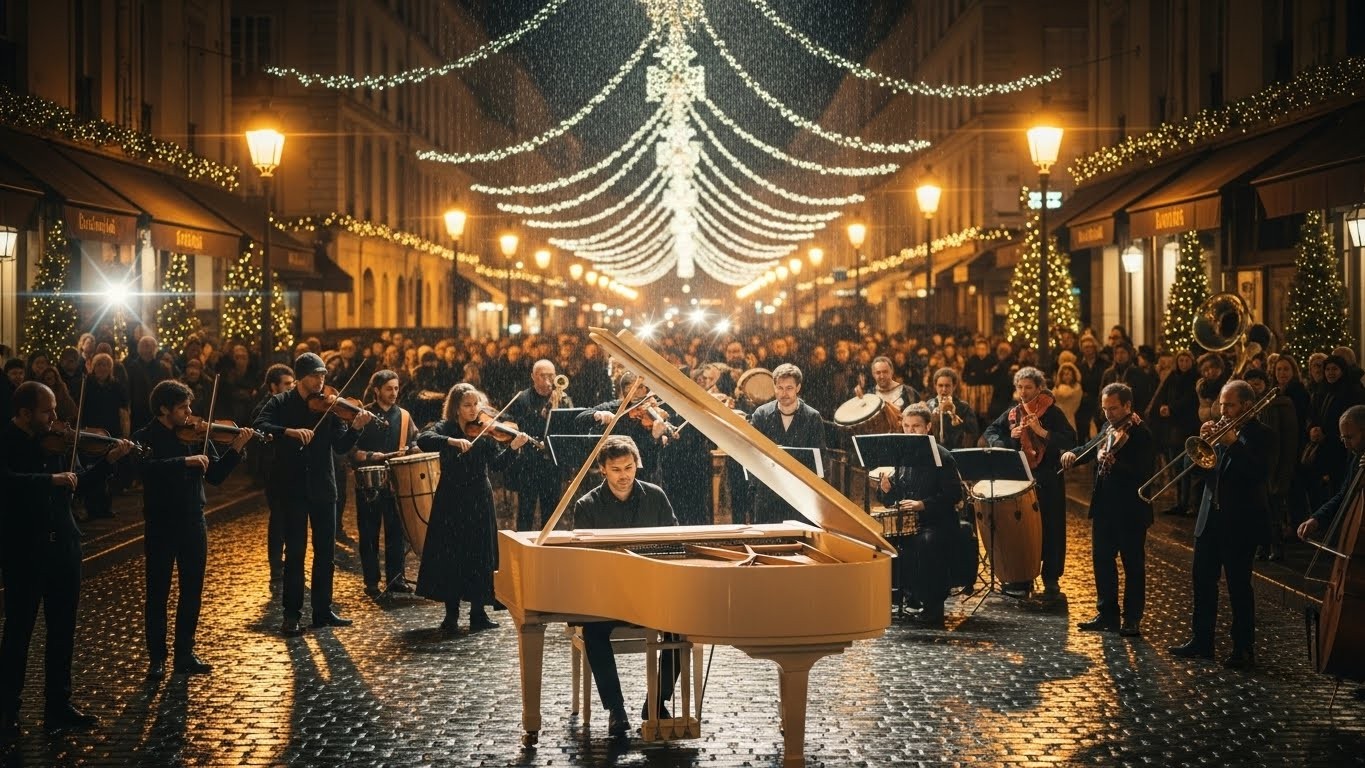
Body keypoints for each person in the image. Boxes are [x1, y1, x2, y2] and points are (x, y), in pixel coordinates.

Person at [1, 382, 133, 739]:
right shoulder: (8, 441)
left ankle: (58, 706)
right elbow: (7, 483)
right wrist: (50, 479)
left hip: (64, 547)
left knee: (62, 632)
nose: (57, 418)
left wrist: (107, 464)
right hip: (25, 550)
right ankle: (7, 710)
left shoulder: (59, 442)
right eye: (48, 411)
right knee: (18, 633)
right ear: (25, 413)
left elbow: (78, 484)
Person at [134, 380, 252, 678]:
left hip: (192, 520)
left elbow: (216, 476)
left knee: (192, 591)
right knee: (157, 592)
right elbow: (144, 471)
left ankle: (185, 653)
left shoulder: (197, 435)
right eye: (183, 407)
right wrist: (184, 462)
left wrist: (236, 449)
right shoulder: (145, 437)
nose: (190, 413)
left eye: (189, 406)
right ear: (164, 409)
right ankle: (157, 658)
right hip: (160, 522)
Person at [253, 352, 371, 635]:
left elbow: (341, 447)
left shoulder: (330, 407)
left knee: (325, 553)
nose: (321, 382)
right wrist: (289, 431)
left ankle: (322, 610)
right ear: (301, 378)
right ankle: (291, 614)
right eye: (316, 376)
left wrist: (355, 428)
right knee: (294, 553)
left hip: (322, 486)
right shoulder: (280, 402)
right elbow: (260, 425)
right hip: (292, 487)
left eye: (323, 377)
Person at [571, 436, 681, 738]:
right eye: (616, 469)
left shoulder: (656, 497)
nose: (624, 475)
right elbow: (584, 561)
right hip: (608, 596)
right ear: (602, 470)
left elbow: (674, 544)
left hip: (651, 592)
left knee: (683, 629)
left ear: (637, 465)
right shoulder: (587, 506)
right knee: (594, 631)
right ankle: (615, 709)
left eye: (629, 467)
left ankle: (656, 703)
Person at [1169, 380, 1271, 669]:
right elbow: (1205, 478)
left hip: (1240, 522)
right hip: (1209, 519)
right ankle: (1202, 641)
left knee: (1239, 587)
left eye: (1230, 405)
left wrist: (1233, 445)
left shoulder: (1262, 435)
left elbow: (1258, 474)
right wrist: (1205, 451)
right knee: (1202, 582)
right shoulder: (1220, 432)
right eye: (1222, 405)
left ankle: (1243, 648)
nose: (1223, 411)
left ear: (1247, 406)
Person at [416, 383, 527, 632]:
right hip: (452, 497)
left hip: (479, 496)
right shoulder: (445, 428)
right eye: (467, 405)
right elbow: (423, 440)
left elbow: (497, 465)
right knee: (451, 554)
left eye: (476, 404)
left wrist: (513, 449)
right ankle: (451, 615)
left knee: (480, 553)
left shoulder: (485, 431)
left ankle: (479, 613)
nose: (473, 409)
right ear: (455, 408)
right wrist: (452, 441)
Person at [1062, 383, 1154, 637]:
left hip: (1130, 510)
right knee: (1102, 560)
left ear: (1127, 405)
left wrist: (1117, 464)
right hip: (1104, 507)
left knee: (1133, 565)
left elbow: (1145, 473)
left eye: (1113, 409)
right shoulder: (1108, 428)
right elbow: (1092, 447)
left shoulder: (1140, 432)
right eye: (1105, 409)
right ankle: (1107, 614)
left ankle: (1132, 618)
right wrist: (1072, 454)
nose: (1108, 414)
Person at [983, 366, 1076, 598]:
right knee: (1024, 528)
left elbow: (1070, 439)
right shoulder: (1013, 412)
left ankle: (1051, 578)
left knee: (1051, 528)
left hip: (1048, 478)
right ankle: (1023, 574)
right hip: (1022, 478)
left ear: (1038, 388)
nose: (1023, 392)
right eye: (1020, 388)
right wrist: (1007, 440)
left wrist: (1041, 432)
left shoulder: (1053, 412)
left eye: (1028, 388)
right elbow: (991, 431)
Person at [875, 403, 963, 627]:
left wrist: (922, 505)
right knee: (877, 541)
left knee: (926, 542)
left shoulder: (942, 456)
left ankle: (932, 604)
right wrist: (886, 490)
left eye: (916, 427)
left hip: (937, 522)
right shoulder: (902, 455)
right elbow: (895, 497)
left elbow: (953, 495)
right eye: (906, 426)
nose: (910, 431)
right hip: (908, 522)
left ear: (928, 427)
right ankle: (899, 596)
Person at [349, 369, 419, 597]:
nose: (394, 393)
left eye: (396, 388)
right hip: (368, 483)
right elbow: (350, 449)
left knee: (396, 532)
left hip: (395, 483)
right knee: (368, 532)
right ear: (377, 389)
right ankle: (371, 580)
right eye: (389, 388)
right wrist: (372, 456)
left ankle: (395, 578)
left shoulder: (405, 416)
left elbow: (415, 441)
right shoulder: (362, 415)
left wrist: (415, 448)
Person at [748, 363, 827, 525]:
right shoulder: (761, 415)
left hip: (801, 495)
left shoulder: (812, 417)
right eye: (780, 387)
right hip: (768, 494)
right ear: (774, 387)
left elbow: (819, 459)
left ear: (798, 388)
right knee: (768, 543)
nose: (784, 393)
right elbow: (752, 453)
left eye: (789, 388)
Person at [503, 359, 568, 531]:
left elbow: (570, 425)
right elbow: (512, 426)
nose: (548, 380)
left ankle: (548, 548)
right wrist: (540, 416)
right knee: (525, 511)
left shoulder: (562, 397)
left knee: (551, 512)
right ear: (533, 377)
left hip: (552, 463)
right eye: (542, 376)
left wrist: (560, 411)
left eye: (551, 375)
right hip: (528, 463)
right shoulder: (522, 398)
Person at [250, 364, 295, 587]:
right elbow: (262, 437)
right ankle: (276, 567)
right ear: (273, 386)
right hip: (274, 470)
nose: (291, 387)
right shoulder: (264, 408)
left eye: (292, 383)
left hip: (290, 468)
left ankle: (288, 563)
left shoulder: (290, 404)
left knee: (290, 518)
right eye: (287, 384)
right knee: (278, 518)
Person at [1296, 404, 1365, 542]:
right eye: (1343, 438)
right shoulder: (1356, 456)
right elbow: (1344, 494)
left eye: (1350, 437)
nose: (1346, 445)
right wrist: (1316, 519)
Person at [925, 367, 978, 449]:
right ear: (935, 386)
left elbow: (972, 434)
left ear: (954, 386)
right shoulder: (929, 405)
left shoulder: (964, 407)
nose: (944, 389)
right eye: (940, 385)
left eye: (947, 386)